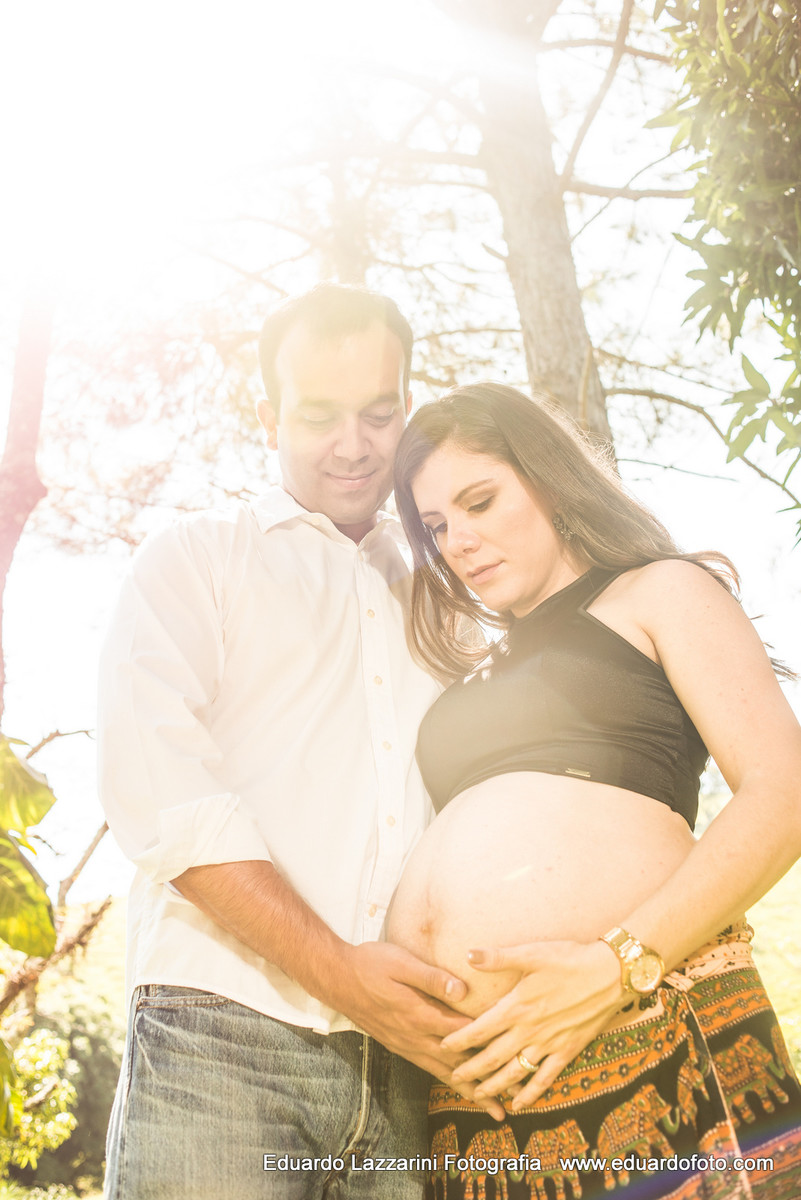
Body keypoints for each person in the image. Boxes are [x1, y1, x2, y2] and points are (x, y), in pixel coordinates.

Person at [97, 284, 490, 1200]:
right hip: (218, 1038)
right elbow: (161, 800)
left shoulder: (450, 590)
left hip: (411, 1068)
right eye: (317, 413)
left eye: (378, 412)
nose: (352, 444)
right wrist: (340, 973)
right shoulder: (193, 559)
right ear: (267, 413)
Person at [389, 381, 801, 1200]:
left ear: (546, 476)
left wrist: (620, 965)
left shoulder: (656, 592)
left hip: (646, 1029)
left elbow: (782, 791)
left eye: (479, 500)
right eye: (435, 527)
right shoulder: (468, 677)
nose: (457, 541)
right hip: (484, 1097)